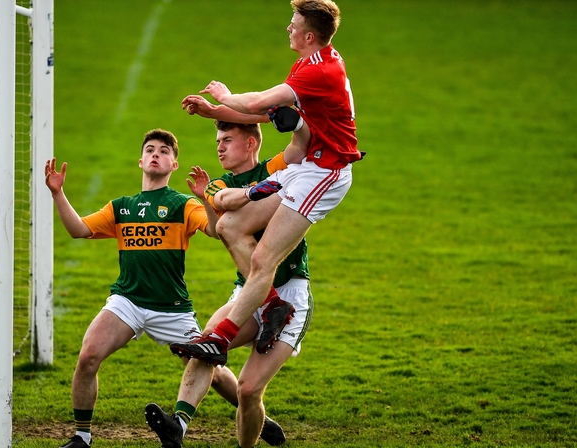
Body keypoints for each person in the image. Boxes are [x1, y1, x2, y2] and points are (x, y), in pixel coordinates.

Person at [45, 129, 282, 448]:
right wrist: (58, 193)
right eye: (150, 149)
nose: (156, 154)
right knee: (88, 356)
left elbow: (216, 231)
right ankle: (82, 437)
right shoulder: (121, 207)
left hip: (172, 309)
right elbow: (78, 229)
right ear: (141, 161)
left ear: (174, 164)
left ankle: (253, 415)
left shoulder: (182, 204)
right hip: (127, 301)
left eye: (164, 151)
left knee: (209, 367)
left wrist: (204, 199)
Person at [171, 0, 361, 370]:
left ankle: (220, 338)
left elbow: (258, 102)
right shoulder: (313, 62)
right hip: (306, 164)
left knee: (262, 258)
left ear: (309, 35)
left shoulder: (318, 71)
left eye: (294, 25)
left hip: (326, 172)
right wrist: (218, 113)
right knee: (228, 226)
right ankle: (274, 304)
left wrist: (224, 96)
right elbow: (266, 113)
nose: (288, 28)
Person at [145, 120, 312, 448]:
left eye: (227, 140)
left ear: (250, 144)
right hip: (250, 291)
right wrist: (251, 192)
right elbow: (221, 201)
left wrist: (293, 117)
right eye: (218, 141)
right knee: (206, 345)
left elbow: (300, 147)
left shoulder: (275, 169)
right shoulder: (218, 184)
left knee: (248, 391)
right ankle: (178, 424)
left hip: (292, 293)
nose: (219, 147)